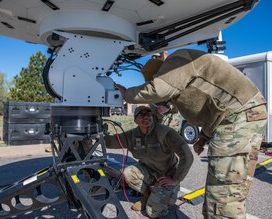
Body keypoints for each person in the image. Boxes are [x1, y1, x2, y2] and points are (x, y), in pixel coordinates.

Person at [115, 49, 267, 219]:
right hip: (239, 115)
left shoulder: (177, 61)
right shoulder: (186, 75)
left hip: (239, 115)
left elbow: (159, 89)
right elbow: (214, 109)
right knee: (225, 187)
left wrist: (126, 94)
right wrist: (204, 137)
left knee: (223, 193)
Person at [105, 106, 193, 218]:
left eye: (149, 114)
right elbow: (112, 142)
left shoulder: (165, 133)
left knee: (153, 212)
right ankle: (148, 196)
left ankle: (163, 197)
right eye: (141, 115)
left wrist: (176, 179)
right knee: (128, 172)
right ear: (135, 120)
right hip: (149, 171)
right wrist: (99, 133)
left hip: (167, 176)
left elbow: (187, 155)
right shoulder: (132, 135)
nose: (146, 117)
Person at [141, 51, 181, 132]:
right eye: (153, 57)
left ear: (165, 56)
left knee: (168, 141)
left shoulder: (172, 72)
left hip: (170, 116)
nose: (155, 59)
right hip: (155, 114)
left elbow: (180, 94)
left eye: (157, 57)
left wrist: (168, 107)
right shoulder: (152, 72)